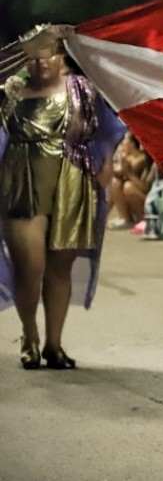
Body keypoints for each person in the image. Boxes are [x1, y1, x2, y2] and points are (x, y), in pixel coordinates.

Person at [0, 25, 124, 369]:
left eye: (50, 54)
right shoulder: (11, 89)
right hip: (21, 179)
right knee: (31, 266)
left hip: (74, 179)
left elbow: (110, 128)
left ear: (63, 58)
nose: (42, 63)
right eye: (35, 56)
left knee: (59, 267)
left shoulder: (83, 89)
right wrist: (24, 46)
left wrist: (109, 163)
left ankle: (54, 345)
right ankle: (30, 335)